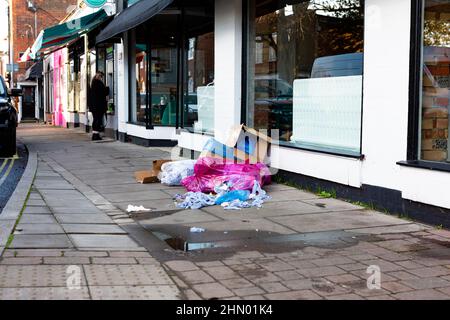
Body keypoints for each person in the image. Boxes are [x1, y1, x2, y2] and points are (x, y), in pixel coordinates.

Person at [88, 72, 109, 141]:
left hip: (94, 106)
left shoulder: (93, 83)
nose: (101, 78)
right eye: (101, 76)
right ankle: (96, 135)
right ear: (99, 76)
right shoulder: (98, 83)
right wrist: (107, 89)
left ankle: (95, 134)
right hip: (98, 107)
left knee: (95, 120)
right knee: (98, 120)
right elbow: (103, 92)